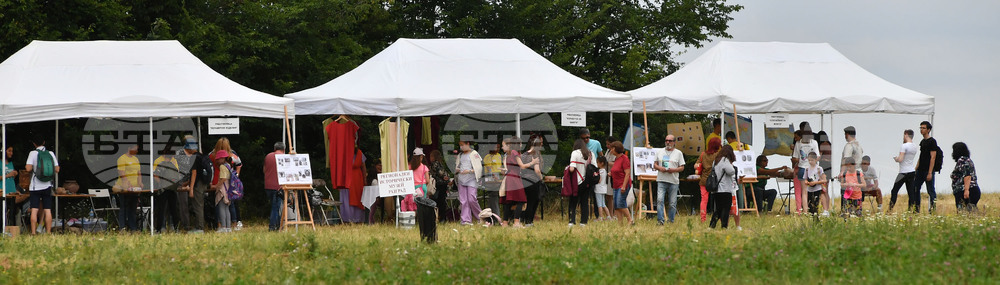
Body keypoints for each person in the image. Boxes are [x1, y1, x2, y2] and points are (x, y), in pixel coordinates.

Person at [25, 135, 59, 234]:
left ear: (34, 143)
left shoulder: (33, 153)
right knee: (47, 210)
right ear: (44, 142)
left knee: (34, 210)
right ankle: (48, 232)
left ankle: (33, 232)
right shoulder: (50, 153)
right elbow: (57, 169)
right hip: (47, 185)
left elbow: (28, 168)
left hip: (35, 187)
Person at [177, 135, 210, 233]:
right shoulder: (201, 155)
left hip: (196, 184)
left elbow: (194, 173)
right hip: (202, 183)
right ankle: (199, 226)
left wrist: (191, 188)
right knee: (200, 205)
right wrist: (187, 183)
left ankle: (199, 228)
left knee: (197, 206)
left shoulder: (193, 157)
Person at [209, 138, 243, 230]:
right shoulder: (231, 155)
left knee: (219, 205)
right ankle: (233, 224)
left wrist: (214, 184)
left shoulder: (212, 155)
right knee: (230, 205)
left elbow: (209, 167)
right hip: (229, 183)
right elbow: (239, 164)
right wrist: (236, 176)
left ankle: (220, 225)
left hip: (218, 181)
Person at [653, 134, 685, 225]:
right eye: (666, 140)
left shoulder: (678, 153)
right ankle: (660, 220)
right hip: (661, 179)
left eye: (670, 141)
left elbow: (682, 167)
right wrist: (660, 168)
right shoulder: (660, 151)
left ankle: (671, 220)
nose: (668, 142)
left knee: (672, 203)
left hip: (673, 181)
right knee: (660, 200)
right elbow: (654, 164)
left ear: (674, 142)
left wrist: (674, 170)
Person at [567, 139, 596, 227]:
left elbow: (572, 169)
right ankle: (583, 221)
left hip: (576, 181)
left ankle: (572, 221)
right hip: (587, 182)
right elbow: (595, 167)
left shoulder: (575, 153)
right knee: (584, 202)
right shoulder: (590, 153)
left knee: (573, 201)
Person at [453, 143, 483, 226]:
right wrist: (457, 170)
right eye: (460, 145)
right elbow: (457, 166)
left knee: (472, 199)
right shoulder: (460, 155)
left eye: (462, 145)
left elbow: (479, 168)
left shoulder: (474, 154)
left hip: (472, 180)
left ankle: (481, 217)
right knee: (463, 201)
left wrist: (469, 171)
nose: (461, 147)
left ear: (468, 144)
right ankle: (466, 220)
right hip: (461, 179)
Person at [501, 137, 528, 227]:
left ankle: (505, 222)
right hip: (514, 178)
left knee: (508, 201)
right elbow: (522, 166)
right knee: (521, 200)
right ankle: (516, 222)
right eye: (520, 143)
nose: (521, 145)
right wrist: (532, 163)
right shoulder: (514, 153)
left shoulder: (508, 154)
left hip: (509, 177)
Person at [152, 149, 182, 232]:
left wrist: (161, 184)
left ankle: (159, 229)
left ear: (164, 155)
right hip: (172, 189)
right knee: (174, 209)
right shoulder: (173, 165)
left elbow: (155, 175)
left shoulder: (161, 164)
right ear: (172, 156)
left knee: (161, 209)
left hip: (164, 190)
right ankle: (176, 228)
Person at [792, 125, 819, 214]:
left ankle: (805, 211)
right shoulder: (814, 143)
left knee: (804, 192)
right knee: (814, 190)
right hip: (812, 168)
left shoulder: (798, 143)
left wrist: (802, 159)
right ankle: (813, 209)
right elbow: (817, 156)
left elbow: (795, 158)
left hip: (802, 168)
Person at [115, 144, 142, 231]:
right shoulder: (122, 159)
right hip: (124, 188)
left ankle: (133, 228)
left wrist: (140, 182)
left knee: (133, 208)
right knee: (124, 207)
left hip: (135, 188)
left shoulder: (136, 159)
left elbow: (139, 172)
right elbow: (121, 172)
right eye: (135, 149)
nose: (136, 151)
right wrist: (127, 182)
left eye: (137, 149)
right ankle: (122, 227)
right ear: (129, 148)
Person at [710, 145, 738, 229]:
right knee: (726, 208)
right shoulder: (725, 160)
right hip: (725, 189)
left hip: (716, 189)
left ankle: (712, 225)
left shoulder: (716, 161)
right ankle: (724, 226)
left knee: (718, 209)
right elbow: (731, 171)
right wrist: (732, 166)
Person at [889, 129, 918, 213]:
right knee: (911, 193)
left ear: (906, 135)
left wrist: (896, 159)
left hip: (903, 172)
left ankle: (890, 209)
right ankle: (910, 210)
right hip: (911, 171)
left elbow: (901, 159)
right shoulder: (914, 146)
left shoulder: (904, 146)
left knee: (894, 190)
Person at [913, 121, 939, 213]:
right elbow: (921, 156)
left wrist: (930, 172)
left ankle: (933, 209)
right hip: (920, 170)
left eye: (923, 128)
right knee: (915, 188)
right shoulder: (922, 141)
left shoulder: (932, 141)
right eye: (921, 128)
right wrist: (916, 168)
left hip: (928, 170)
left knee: (930, 190)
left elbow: (933, 157)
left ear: (928, 130)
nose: (921, 130)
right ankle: (916, 209)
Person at [696, 137, 721, 222]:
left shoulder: (703, 154)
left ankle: (703, 218)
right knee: (718, 199)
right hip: (716, 180)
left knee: (704, 200)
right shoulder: (718, 155)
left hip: (704, 180)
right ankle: (719, 217)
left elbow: (696, 165)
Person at [520, 136, 544, 226]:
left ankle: (525, 220)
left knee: (527, 201)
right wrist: (541, 178)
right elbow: (537, 170)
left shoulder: (524, 154)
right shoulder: (535, 155)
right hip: (533, 180)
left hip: (524, 180)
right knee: (533, 202)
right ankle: (529, 221)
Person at [609, 141, 634, 226]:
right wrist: (611, 173)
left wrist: (623, 186)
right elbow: (617, 170)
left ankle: (630, 220)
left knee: (620, 203)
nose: (611, 150)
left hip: (623, 184)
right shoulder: (617, 158)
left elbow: (627, 173)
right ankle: (620, 224)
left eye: (612, 148)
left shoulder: (624, 158)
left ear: (615, 149)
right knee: (616, 205)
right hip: (616, 185)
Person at [950, 142, 979, 213]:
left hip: (964, 190)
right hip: (974, 189)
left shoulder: (962, 160)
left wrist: (966, 190)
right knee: (971, 211)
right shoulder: (968, 160)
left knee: (963, 212)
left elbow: (967, 175)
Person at [840, 126, 864, 213]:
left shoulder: (849, 146)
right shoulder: (859, 145)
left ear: (847, 134)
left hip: (850, 173)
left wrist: (842, 172)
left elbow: (846, 160)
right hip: (858, 172)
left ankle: (846, 211)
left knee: (846, 193)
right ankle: (857, 210)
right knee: (857, 193)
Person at [263, 142, 284, 231]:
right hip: (278, 186)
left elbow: (264, 170)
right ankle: (273, 226)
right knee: (276, 207)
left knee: (274, 206)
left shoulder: (268, 156)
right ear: (283, 149)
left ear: (274, 148)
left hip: (268, 186)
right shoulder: (284, 157)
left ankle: (278, 225)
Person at [3, 146, 27, 227]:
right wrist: (8, 175)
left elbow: (11, 177)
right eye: (9, 151)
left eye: (12, 151)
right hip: (3, 190)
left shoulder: (11, 163)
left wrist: (14, 174)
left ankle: (12, 229)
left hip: (12, 190)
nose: (11, 153)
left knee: (12, 212)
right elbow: (6, 176)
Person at [211, 150, 233, 233]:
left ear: (222, 158)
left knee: (221, 208)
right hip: (228, 189)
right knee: (227, 209)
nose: (217, 160)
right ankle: (228, 227)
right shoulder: (228, 165)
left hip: (223, 189)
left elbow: (223, 178)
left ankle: (223, 227)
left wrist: (216, 186)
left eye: (218, 159)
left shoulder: (222, 167)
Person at [482, 143, 504, 226]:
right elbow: (489, 169)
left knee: (495, 198)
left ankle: (492, 217)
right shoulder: (487, 157)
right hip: (490, 179)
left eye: (498, 147)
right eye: (496, 147)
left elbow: (500, 167)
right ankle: (496, 218)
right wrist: (494, 177)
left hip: (498, 178)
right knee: (493, 198)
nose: (497, 149)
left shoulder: (499, 155)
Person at [427, 150, 450, 223]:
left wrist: (444, 176)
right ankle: (442, 218)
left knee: (437, 201)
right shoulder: (440, 164)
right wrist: (447, 178)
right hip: (442, 184)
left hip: (438, 185)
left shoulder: (435, 164)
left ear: (433, 157)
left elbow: (441, 173)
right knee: (442, 202)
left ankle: (438, 218)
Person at [594, 156, 611, 220]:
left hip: (598, 189)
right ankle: (608, 216)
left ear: (602, 163)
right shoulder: (605, 171)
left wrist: (595, 176)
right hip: (604, 189)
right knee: (603, 204)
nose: (597, 164)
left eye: (598, 162)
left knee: (599, 204)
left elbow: (599, 180)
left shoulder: (600, 171)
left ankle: (600, 217)